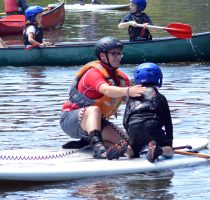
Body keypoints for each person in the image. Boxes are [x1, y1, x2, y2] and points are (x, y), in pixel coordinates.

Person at [60, 36, 145, 160]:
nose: (117, 57)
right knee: (94, 110)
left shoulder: (122, 79)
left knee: (131, 149)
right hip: (70, 119)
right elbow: (106, 90)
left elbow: (131, 104)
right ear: (103, 56)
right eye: (113, 53)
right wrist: (128, 91)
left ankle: (95, 143)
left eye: (119, 53)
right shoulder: (93, 73)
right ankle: (97, 147)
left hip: (97, 122)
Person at [123, 63, 174, 162]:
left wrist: (130, 138)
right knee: (169, 151)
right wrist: (169, 144)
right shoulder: (160, 97)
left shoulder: (131, 97)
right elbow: (168, 123)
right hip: (153, 127)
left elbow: (125, 120)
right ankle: (159, 150)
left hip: (134, 128)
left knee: (134, 151)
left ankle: (126, 149)